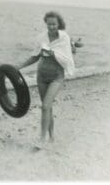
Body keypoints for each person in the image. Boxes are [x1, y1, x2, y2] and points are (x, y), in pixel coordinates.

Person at [16, 11, 75, 144]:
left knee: (45, 106)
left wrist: (53, 53)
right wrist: (19, 67)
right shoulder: (41, 37)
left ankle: (42, 139)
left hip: (57, 77)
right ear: (46, 24)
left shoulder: (64, 37)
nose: (51, 27)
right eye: (49, 24)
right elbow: (35, 56)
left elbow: (66, 58)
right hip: (41, 76)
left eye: (54, 24)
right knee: (47, 107)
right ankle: (51, 136)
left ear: (58, 23)